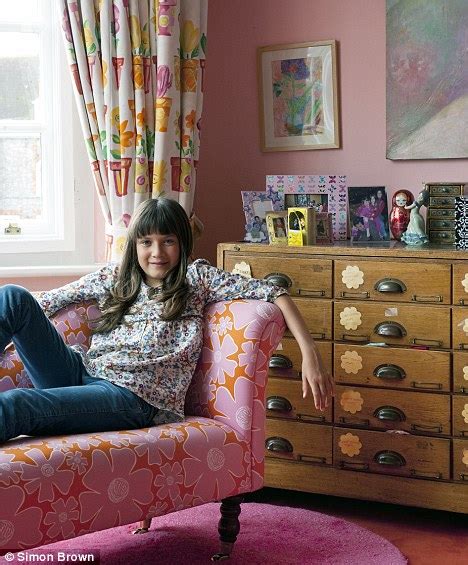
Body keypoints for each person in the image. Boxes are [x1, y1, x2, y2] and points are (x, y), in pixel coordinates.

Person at [0, 198, 333, 449]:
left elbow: (273, 292)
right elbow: (46, 302)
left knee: (17, 404)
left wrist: (311, 353)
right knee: (14, 297)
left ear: (182, 243)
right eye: (146, 242)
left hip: (131, 397)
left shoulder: (197, 278)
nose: (156, 252)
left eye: (168, 241)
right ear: (135, 245)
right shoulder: (117, 277)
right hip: (81, 372)